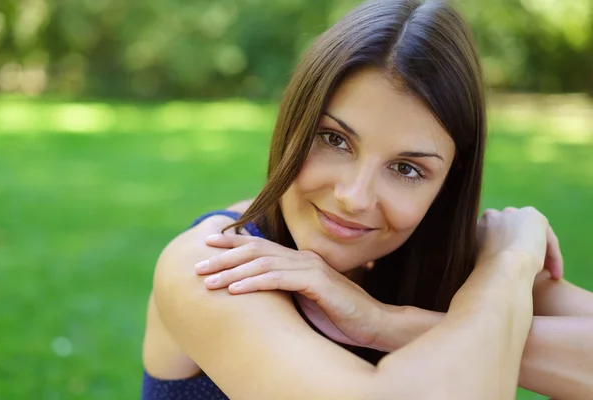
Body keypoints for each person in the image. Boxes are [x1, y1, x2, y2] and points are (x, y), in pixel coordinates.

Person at [142, 0, 593, 399]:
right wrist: (508, 267)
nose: (354, 198)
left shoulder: (455, 258)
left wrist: (387, 323)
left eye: (406, 169)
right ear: (293, 122)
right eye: (333, 139)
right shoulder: (213, 263)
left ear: (447, 185)